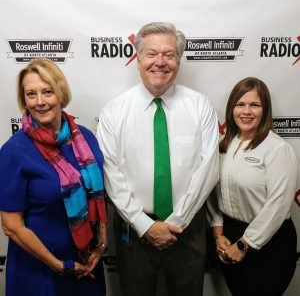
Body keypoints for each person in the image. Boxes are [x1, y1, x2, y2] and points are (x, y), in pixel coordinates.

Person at [97, 22, 219, 296]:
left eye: (169, 54)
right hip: (134, 232)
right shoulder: (114, 112)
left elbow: (208, 170)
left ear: (179, 60)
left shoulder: (200, 107)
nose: (160, 62)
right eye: (151, 54)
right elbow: (111, 174)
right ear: (138, 59)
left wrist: (176, 222)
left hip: (187, 230)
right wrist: (144, 225)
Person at [0, 58, 108, 296]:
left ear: (61, 92)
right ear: (24, 100)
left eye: (47, 92)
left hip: (87, 266)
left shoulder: (86, 138)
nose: (40, 102)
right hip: (39, 272)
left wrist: (101, 245)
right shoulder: (14, 151)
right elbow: (11, 226)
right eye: (31, 94)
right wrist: (59, 266)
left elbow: (97, 197)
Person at [207, 77, 298, 296]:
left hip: (269, 243)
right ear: (232, 109)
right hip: (229, 236)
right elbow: (212, 192)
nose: (246, 111)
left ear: (264, 110)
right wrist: (219, 235)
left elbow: (278, 206)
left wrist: (244, 245)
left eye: (254, 105)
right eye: (240, 104)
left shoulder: (277, 149)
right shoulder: (222, 144)